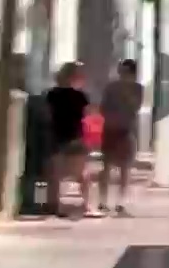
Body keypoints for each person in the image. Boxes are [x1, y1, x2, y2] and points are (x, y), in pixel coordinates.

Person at [44, 62, 93, 219]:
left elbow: (48, 115)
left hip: (56, 136)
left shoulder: (51, 94)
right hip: (74, 137)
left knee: (55, 175)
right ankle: (87, 205)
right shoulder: (80, 96)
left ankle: (54, 205)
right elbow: (86, 115)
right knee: (82, 174)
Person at [99, 59, 144, 216]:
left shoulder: (138, 88)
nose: (122, 75)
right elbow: (103, 107)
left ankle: (121, 202)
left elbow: (136, 106)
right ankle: (102, 201)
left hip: (126, 131)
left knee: (125, 168)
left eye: (126, 72)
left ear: (133, 73)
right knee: (106, 167)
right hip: (111, 130)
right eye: (121, 72)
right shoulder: (111, 87)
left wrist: (126, 93)